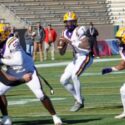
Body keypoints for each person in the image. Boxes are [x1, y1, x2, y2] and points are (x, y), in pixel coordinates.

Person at [0, 23, 62, 125]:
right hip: (13, 71)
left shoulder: (11, 41)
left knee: (40, 94)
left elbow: (18, 61)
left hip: (27, 70)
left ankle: (55, 116)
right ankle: (6, 118)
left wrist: (1, 61)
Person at [59, 11, 94, 112]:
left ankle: (79, 102)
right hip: (76, 58)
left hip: (86, 56)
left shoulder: (80, 29)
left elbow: (87, 46)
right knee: (63, 80)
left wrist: (69, 41)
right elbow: (62, 53)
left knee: (75, 75)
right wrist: (61, 46)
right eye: (67, 22)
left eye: (71, 21)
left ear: (75, 21)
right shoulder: (64, 33)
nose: (69, 24)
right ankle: (79, 98)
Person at [102, 27, 125, 119]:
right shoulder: (122, 48)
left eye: (119, 38)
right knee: (123, 90)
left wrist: (111, 69)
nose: (118, 41)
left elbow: (123, 65)